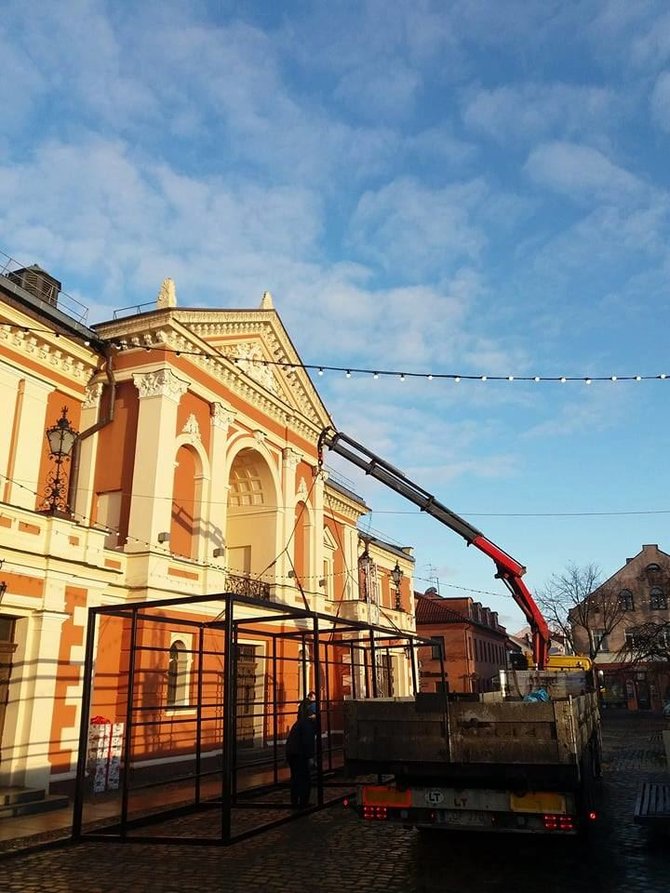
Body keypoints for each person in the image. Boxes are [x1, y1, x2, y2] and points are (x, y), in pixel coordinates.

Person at [286, 699, 317, 809]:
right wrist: (310, 757)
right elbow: (307, 742)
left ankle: (294, 802)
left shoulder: (300, 722)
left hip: (292, 753)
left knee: (295, 778)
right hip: (300, 754)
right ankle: (303, 803)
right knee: (305, 779)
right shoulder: (308, 725)